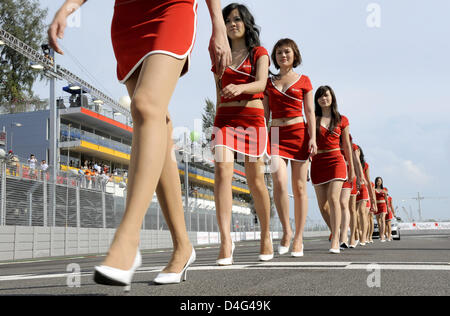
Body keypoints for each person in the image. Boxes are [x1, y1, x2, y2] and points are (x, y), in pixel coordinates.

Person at [49, 0, 231, 289]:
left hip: (172, 7)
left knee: (145, 106)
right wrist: (68, 8)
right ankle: (183, 247)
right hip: (128, 17)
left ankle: (128, 238)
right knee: (158, 122)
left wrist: (218, 25)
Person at [211, 3, 272, 264]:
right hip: (224, 119)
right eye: (227, 20)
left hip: (252, 117)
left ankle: (266, 235)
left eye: (237, 19)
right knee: (222, 172)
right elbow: (217, 91)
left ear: (246, 23)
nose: (232, 24)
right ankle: (226, 241)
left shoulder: (259, 52)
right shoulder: (219, 56)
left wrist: (241, 88)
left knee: (255, 179)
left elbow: (261, 83)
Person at [263, 38, 316, 256]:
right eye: (278, 53)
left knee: (300, 188)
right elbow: (265, 113)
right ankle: (286, 230)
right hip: (275, 133)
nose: (283, 56)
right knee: (278, 182)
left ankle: (298, 238)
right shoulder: (268, 82)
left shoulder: (304, 80)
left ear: (295, 55)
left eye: (287, 52)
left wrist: (313, 138)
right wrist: (262, 137)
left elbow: (310, 112)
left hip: (299, 133)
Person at [311, 86, 355, 254]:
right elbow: (308, 144)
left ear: (332, 97)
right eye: (320, 96)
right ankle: (335, 231)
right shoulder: (313, 119)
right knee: (323, 206)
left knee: (333, 198)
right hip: (317, 162)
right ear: (316, 100)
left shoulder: (342, 119)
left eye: (326, 95)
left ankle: (336, 240)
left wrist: (351, 169)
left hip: (336, 161)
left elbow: (346, 146)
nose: (324, 99)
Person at [353, 145, 377, 245]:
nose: (356, 152)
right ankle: (357, 232)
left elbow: (368, 179)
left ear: (360, 152)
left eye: (358, 151)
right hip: (353, 187)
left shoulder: (365, 165)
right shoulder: (350, 161)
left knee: (361, 212)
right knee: (353, 213)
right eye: (355, 151)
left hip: (363, 189)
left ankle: (364, 237)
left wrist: (372, 200)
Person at [374, 177, 388, 242]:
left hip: (383, 205)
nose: (379, 182)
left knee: (382, 219)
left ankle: (382, 236)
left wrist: (387, 207)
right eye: (378, 181)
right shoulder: (374, 189)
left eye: (380, 181)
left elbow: (386, 199)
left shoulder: (384, 189)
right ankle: (381, 234)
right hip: (377, 206)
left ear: (382, 182)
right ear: (376, 182)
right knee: (379, 222)